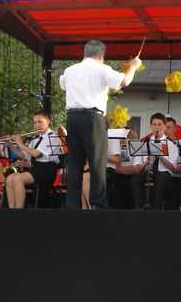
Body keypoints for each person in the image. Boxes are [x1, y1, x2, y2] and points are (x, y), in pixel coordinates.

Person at [59, 39, 142, 210]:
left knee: (75, 162)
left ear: (84, 53)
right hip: (92, 117)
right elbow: (123, 82)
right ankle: (97, 203)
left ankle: (72, 205)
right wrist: (133, 67)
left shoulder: (70, 70)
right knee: (97, 161)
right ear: (101, 55)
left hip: (72, 117)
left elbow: (63, 85)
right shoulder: (101, 68)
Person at [4, 109, 62, 209]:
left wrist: (20, 144)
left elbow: (36, 154)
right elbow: (25, 156)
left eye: (40, 122)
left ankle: (19, 210)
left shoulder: (52, 137)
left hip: (47, 169)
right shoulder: (35, 138)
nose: (37, 125)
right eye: (35, 123)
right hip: (36, 168)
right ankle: (11, 210)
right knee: (9, 179)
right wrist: (11, 146)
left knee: (18, 179)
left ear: (48, 121)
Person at [130, 113, 180, 209]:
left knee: (160, 180)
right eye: (154, 124)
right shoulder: (145, 143)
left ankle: (156, 210)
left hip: (163, 172)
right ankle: (138, 209)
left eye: (159, 125)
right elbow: (138, 168)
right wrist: (146, 162)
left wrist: (160, 156)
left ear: (164, 126)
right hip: (148, 170)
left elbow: (172, 168)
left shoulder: (170, 144)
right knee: (135, 180)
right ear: (151, 126)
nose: (157, 127)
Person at [81, 124, 122, 209]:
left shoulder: (112, 136)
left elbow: (117, 159)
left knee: (86, 177)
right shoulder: (90, 135)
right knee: (78, 177)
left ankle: (91, 207)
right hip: (91, 167)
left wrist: (100, 153)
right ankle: (84, 208)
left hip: (108, 168)